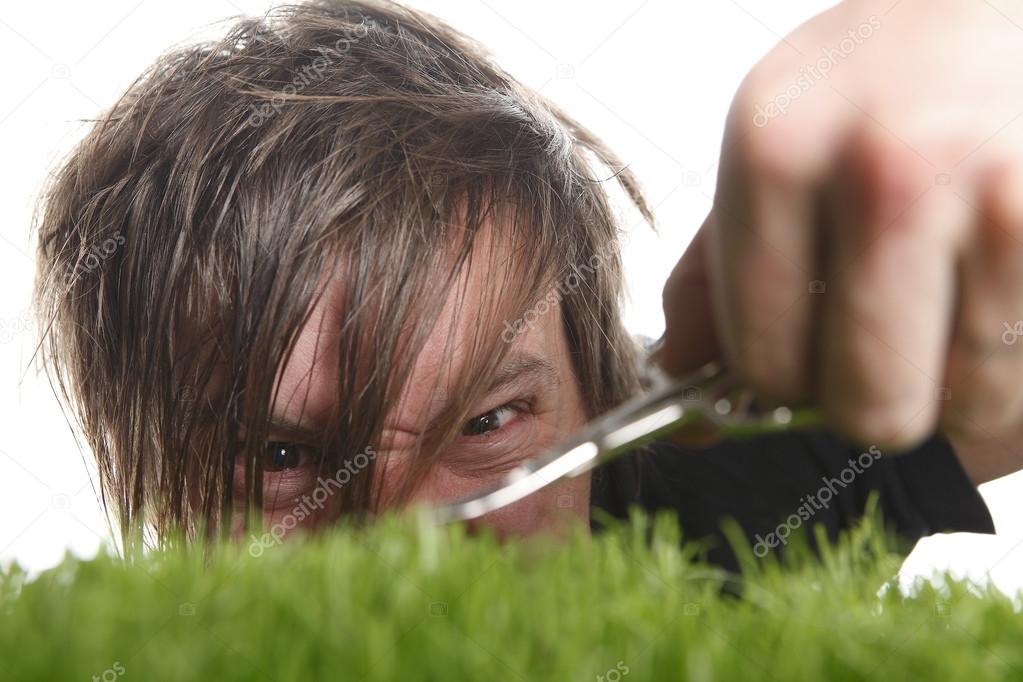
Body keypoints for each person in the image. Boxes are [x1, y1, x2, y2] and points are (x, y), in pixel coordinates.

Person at [32, 0, 1012, 570]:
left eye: (485, 423)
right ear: (151, 472)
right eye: (283, 453)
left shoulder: (738, 472)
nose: (409, 549)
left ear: (601, 385)